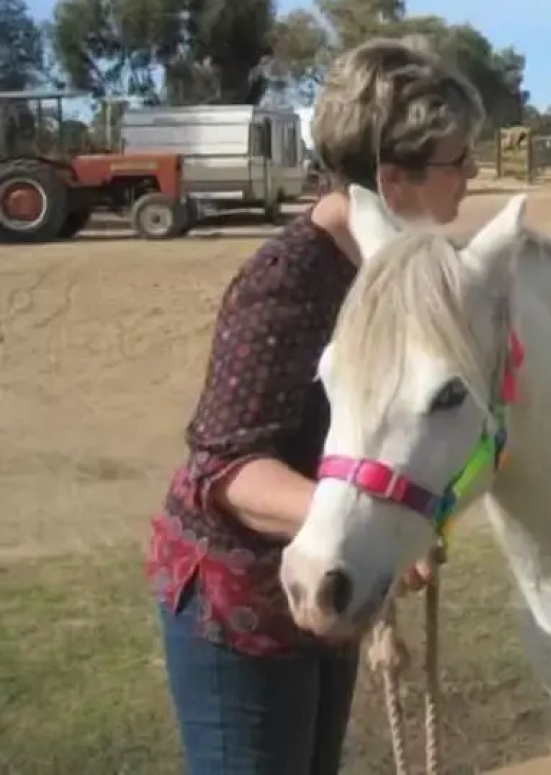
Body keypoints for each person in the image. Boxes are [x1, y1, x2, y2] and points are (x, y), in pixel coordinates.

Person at [143, 38, 485, 775]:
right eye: (458, 161)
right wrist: (378, 521)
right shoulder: (287, 281)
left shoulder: (399, 277)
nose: (472, 176)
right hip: (240, 611)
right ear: (394, 179)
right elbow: (225, 469)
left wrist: (396, 523)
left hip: (333, 580)